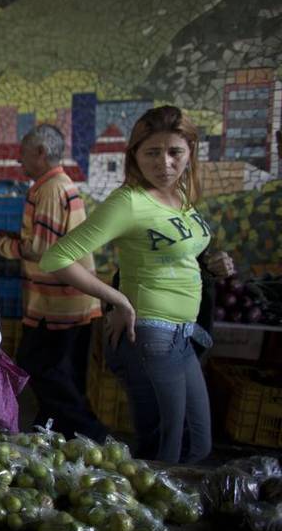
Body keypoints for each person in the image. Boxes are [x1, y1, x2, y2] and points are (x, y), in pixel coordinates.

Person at [38, 106, 234, 464]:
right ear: (135, 156)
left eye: (175, 152)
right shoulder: (128, 202)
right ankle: (154, 517)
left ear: (190, 151)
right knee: (166, 449)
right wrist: (117, 302)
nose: (165, 164)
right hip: (151, 333)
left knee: (197, 444)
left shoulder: (182, 200)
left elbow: (174, 253)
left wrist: (210, 263)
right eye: (152, 153)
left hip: (184, 333)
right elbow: (56, 258)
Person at [0, 125, 105, 441]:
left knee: (41, 369)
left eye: (23, 154)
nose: (19, 162)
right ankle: (52, 433)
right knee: (61, 375)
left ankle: (93, 435)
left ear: (40, 153)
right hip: (69, 303)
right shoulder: (59, 185)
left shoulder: (51, 189)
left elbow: (42, 250)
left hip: (59, 306)